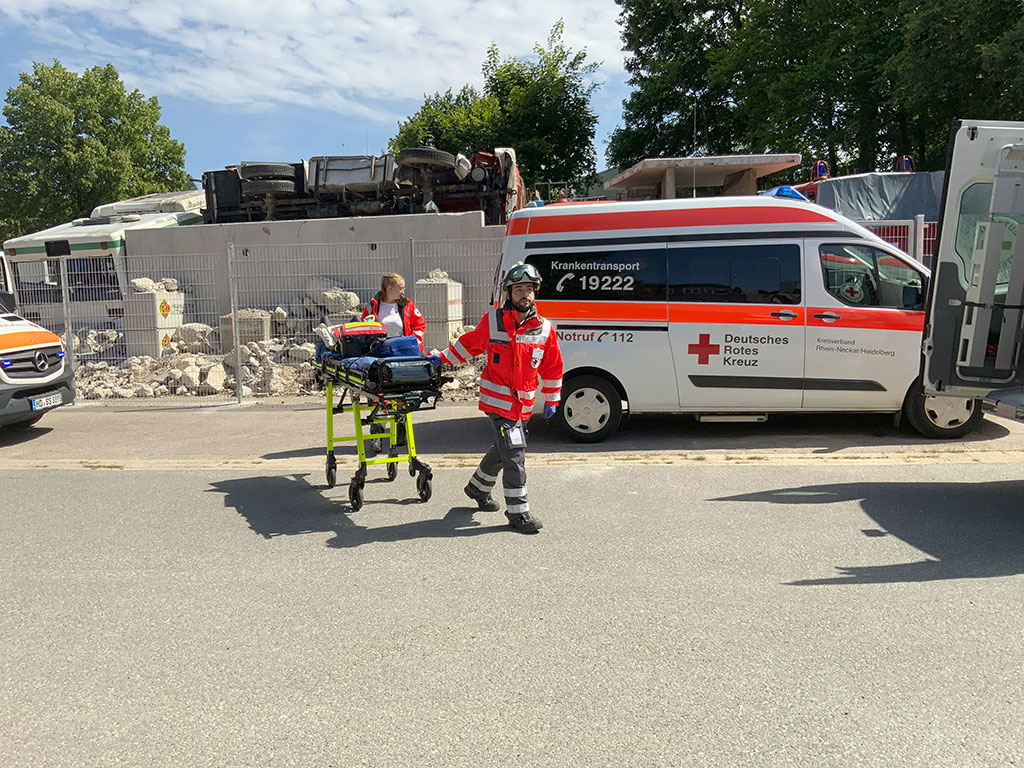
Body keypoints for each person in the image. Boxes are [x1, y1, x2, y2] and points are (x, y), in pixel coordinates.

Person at [426, 262, 563, 533]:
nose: (525, 294)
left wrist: (552, 397)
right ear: (508, 294)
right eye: (519, 289)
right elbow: (469, 344)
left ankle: (477, 488)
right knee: (514, 455)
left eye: (529, 289)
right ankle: (519, 514)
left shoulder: (544, 329)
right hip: (499, 405)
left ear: (535, 292)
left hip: (522, 407)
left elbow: (552, 365)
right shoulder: (493, 321)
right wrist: (441, 360)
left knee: (502, 451)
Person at [361, 272, 426, 352]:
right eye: (401, 288)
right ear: (390, 289)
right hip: (379, 352)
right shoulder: (371, 307)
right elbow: (364, 329)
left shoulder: (407, 305)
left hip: (404, 350)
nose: (403, 292)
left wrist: (413, 342)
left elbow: (419, 325)